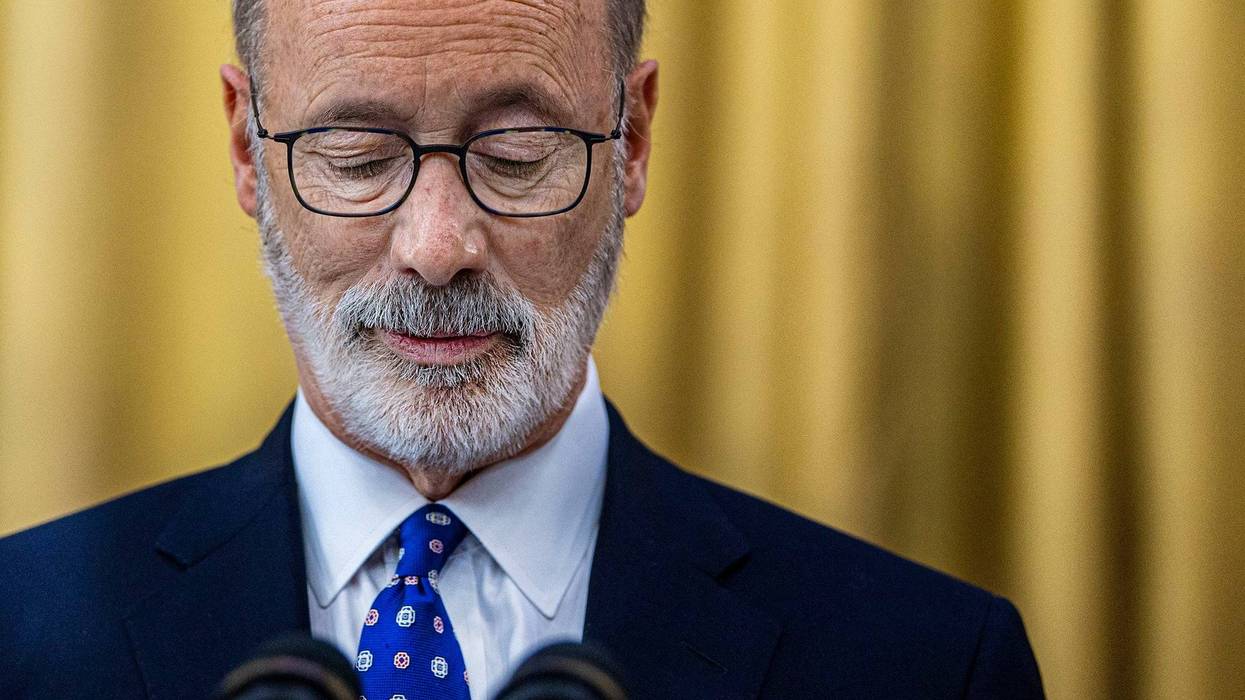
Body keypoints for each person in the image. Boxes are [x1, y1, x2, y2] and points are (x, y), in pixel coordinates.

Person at [0, 0, 1044, 698]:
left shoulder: (926, 665)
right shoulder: (24, 640)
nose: (437, 246)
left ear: (631, 139)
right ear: (245, 146)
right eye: (358, 157)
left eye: (517, 153)